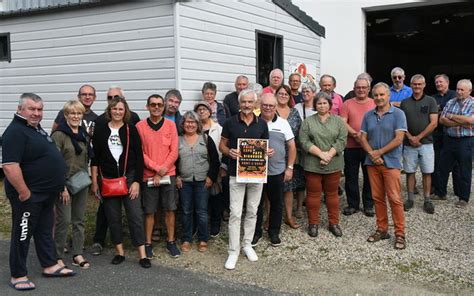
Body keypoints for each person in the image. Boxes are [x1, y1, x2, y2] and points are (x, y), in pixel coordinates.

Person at [3, 93, 75, 291]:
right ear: (20, 110)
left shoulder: (35, 128)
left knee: (44, 230)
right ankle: (18, 275)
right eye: (31, 109)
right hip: (29, 195)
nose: (36, 113)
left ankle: (50, 265)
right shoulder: (15, 132)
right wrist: (24, 192)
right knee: (23, 234)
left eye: (39, 109)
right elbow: (10, 166)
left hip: (45, 194)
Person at [90, 96, 150, 268]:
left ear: (125, 112)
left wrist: (137, 181)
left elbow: (139, 158)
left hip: (129, 177)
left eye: (121, 109)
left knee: (135, 216)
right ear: (110, 110)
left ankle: (142, 254)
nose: (117, 112)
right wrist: (95, 182)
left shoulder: (131, 130)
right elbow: (95, 160)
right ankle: (120, 252)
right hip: (108, 179)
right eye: (114, 109)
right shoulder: (101, 131)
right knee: (113, 217)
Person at [219, 89, 269, 270]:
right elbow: (222, 144)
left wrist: (268, 152)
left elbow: (266, 147)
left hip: (256, 174)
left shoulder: (262, 124)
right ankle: (233, 250)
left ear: (255, 104)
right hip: (235, 173)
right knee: (235, 213)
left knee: (253, 211)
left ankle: (247, 245)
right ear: (239, 104)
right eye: (244, 102)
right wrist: (228, 151)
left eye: (250, 102)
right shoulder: (230, 122)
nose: (247, 105)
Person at [359, 82, 407, 250]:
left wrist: (379, 153)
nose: (379, 98)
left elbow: (399, 139)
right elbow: (362, 137)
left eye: (382, 95)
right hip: (372, 163)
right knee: (378, 198)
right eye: (376, 95)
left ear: (389, 96)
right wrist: (372, 154)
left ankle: (400, 233)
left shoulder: (398, 114)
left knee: (395, 198)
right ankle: (382, 229)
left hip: (391, 162)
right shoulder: (368, 115)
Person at [136, 94, 181, 259]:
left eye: (159, 105)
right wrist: (156, 169)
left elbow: (174, 150)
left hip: (168, 174)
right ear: (147, 106)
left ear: (163, 107)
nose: (156, 107)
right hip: (148, 175)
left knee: (170, 209)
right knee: (149, 211)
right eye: (153, 104)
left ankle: (171, 241)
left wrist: (163, 169)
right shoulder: (139, 126)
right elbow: (140, 152)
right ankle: (148, 244)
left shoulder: (171, 125)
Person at [299, 92, 347, 238]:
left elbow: (342, 140)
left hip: (333, 163)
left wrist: (329, 155)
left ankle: (334, 223)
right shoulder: (308, 122)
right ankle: (313, 224)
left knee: (332, 195)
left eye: (325, 103)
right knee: (313, 195)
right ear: (315, 105)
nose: (322, 105)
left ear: (330, 105)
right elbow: (304, 141)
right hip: (313, 164)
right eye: (319, 103)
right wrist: (321, 154)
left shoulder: (338, 121)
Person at [52, 100, 92, 270]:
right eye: (72, 113)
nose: (75, 116)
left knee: (79, 220)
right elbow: (54, 163)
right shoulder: (59, 134)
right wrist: (62, 187)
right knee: (64, 220)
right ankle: (57, 256)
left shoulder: (83, 133)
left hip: (81, 182)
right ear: (66, 115)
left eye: (79, 113)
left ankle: (77, 254)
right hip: (64, 184)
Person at [253, 93, 296, 246]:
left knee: (276, 203)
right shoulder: (253, 122)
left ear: (276, 107)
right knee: (256, 204)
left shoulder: (283, 123)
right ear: (260, 105)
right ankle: (255, 233)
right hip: (255, 171)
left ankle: (274, 232)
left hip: (276, 171)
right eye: (265, 105)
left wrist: (289, 167)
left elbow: (292, 147)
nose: (268, 108)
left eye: (271, 105)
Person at [176, 111, 220, 252]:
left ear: (198, 124)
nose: (190, 124)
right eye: (187, 122)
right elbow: (173, 161)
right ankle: (187, 239)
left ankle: (203, 239)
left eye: (193, 122)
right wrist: (176, 175)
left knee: (201, 211)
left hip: (202, 182)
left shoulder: (206, 139)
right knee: (186, 211)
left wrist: (211, 178)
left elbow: (215, 161)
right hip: (184, 182)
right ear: (183, 124)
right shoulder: (177, 140)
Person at [400, 75, 438, 214]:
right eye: (414, 84)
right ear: (411, 85)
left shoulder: (431, 101)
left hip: (426, 143)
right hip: (409, 144)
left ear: (424, 85)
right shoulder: (405, 102)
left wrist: (419, 137)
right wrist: (410, 137)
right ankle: (410, 199)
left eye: (419, 84)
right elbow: (401, 123)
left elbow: (434, 122)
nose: (417, 87)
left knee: (427, 172)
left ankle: (427, 200)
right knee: (410, 172)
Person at [432, 79, 473, 208]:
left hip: (465, 141)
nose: (459, 92)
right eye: (458, 89)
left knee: (463, 170)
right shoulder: (451, 101)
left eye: (462, 90)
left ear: (469, 91)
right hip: (450, 139)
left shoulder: (473, 103)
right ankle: (440, 193)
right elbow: (442, 120)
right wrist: (461, 120)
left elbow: (470, 120)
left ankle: (463, 198)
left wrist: (452, 116)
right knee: (442, 167)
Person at [340, 77, 375, 217]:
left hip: (369, 147)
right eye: (358, 87)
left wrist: (365, 137)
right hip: (351, 146)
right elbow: (343, 122)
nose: (361, 90)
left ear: (369, 89)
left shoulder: (374, 103)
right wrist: (355, 134)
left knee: (369, 177)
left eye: (364, 87)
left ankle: (368, 205)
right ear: (354, 89)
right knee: (351, 177)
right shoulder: (347, 104)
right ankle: (353, 204)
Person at [275, 85, 305, 227]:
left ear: (289, 96)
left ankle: (288, 216)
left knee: (289, 187)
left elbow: (300, 133)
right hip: (273, 154)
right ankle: (270, 217)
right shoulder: (270, 110)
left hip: (291, 154)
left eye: (286, 94)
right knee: (271, 188)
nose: (283, 96)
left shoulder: (294, 112)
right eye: (280, 93)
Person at [195, 101, 224, 237]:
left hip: (215, 168)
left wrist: (223, 167)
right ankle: (200, 226)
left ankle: (216, 223)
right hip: (197, 169)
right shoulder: (193, 128)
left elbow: (223, 148)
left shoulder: (218, 128)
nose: (201, 111)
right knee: (200, 199)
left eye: (204, 109)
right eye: (199, 109)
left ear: (210, 111)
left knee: (215, 197)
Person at [431, 74, 459, 196]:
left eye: (440, 82)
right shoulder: (433, 98)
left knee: (455, 163)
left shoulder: (455, 95)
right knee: (437, 161)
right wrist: (443, 112)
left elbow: (454, 112)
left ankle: (458, 190)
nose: (438, 84)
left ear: (447, 83)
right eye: (436, 82)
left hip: (452, 134)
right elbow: (431, 113)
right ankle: (437, 187)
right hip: (437, 134)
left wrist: (440, 111)